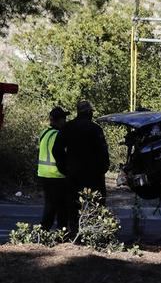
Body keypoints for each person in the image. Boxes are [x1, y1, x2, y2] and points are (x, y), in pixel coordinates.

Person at [53, 100, 110, 234]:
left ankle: (75, 233)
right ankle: (97, 232)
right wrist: (104, 167)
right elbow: (103, 150)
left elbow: (57, 150)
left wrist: (63, 167)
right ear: (89, 112)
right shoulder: (95, 128)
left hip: (73, 172)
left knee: (73, 205)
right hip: (94, 173)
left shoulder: (68, 127)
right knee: (97, 203)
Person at [37, 106, 70, 231]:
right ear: (58, 120)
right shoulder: (59, 135)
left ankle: (45, 231)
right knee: (61, 205)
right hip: (56, 174)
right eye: (64, 119)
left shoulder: (44, 133)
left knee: (50, 204)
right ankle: (61, 231)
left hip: (43, 173)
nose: (65, 121)